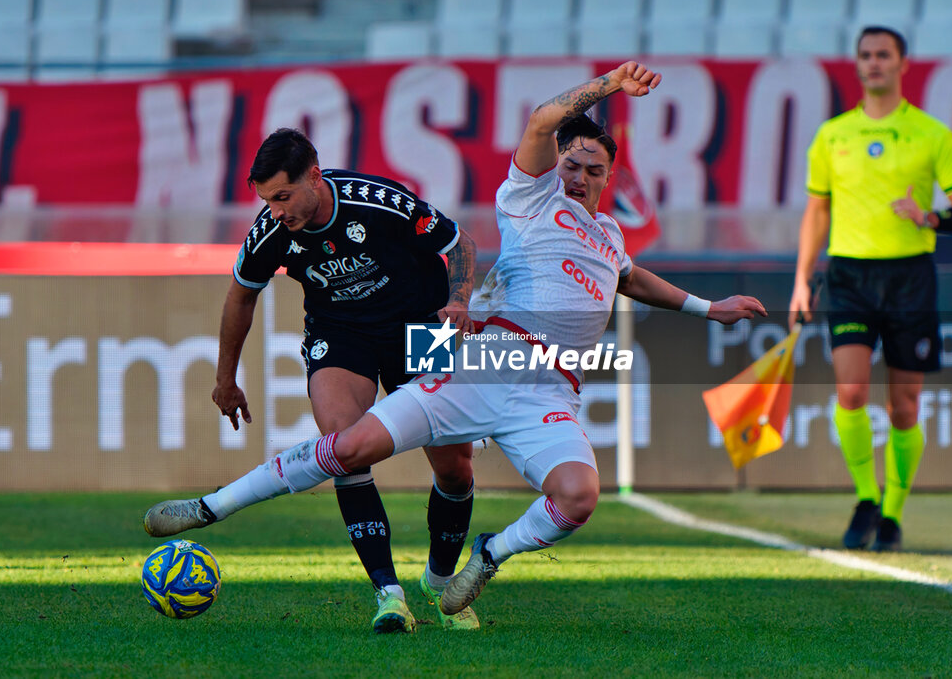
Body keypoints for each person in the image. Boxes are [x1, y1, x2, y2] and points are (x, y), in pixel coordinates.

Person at [158, 61, 765, 620]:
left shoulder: (609, 235)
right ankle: (214, 508)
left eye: (593, 170)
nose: (578, 177)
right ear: (556, 164)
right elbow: (541, 122)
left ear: (609, 176)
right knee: (348, 447)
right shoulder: (529, 197)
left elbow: (631, 279)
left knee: (573, 496)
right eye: (571, 164)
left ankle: (487, 555)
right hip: (483, 360)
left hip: (549, 389)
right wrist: (610, 83)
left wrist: (710, 308)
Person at [144, 128, 482, 633]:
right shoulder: (271, 231)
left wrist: (458, 301)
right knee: (344, 446)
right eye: (266, 200)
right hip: (342, 334)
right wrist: (225, 377)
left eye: (282, 196)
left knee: (456, 466)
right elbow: (241, 294)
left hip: (420, 328)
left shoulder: (380, 201)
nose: (276, 211)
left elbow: (459, 244)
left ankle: (438, 583)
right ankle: (388, 595)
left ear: (315, 178)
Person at [789, 26, 952, 552]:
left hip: (910, 276)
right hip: (849, 274)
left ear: (903, 64)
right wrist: (802, 280)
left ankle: (892, 514)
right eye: (865, 55)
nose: (873, 63)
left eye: (883, 55)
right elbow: (817, 210)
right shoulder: (832, 135)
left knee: (905, 406)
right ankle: (866, 498)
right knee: (850, 391)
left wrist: (930, 216)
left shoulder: (932, 134)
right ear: (857, 64)